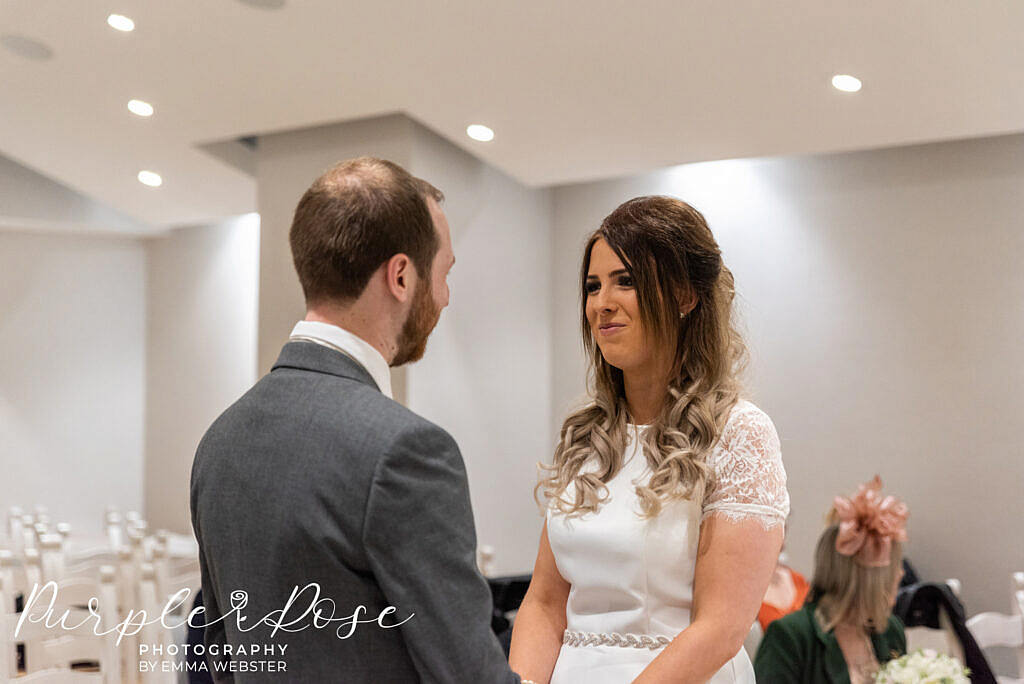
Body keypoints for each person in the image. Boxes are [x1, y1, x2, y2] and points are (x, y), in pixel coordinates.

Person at [190, 157, 519, 683]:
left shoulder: (219, 441)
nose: (446, 297)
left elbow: (217, 661)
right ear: (402, 275)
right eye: (444, 273)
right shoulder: (406, 450)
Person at [509, 196, 789, 683]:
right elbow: (546, 601)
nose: (602, 303)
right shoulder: (585, 437)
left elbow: (721, 627)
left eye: (627, 281)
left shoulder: (740, 433)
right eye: (593, 286)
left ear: (684, 296)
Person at [754, 476, 908, 684]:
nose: (901, 573)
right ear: (868, 578)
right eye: (894, 566)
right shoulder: (790, 637)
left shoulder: (891, 631)